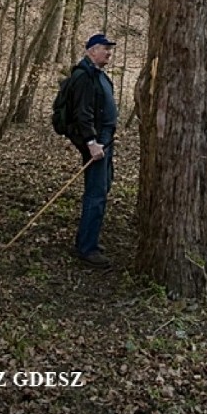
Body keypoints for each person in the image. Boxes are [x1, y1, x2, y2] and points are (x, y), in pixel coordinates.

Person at [67, 33, 118, 268]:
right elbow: (82, 112)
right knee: (96, 194)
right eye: (103, 48)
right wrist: (91, 142)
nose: (108, 52)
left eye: (109, 49)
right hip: (96, 142)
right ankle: (87, 248)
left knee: (103, 186)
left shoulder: (99, 75)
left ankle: (89, 239)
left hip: (105, 140)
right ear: (90, 50)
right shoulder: (84, 76)